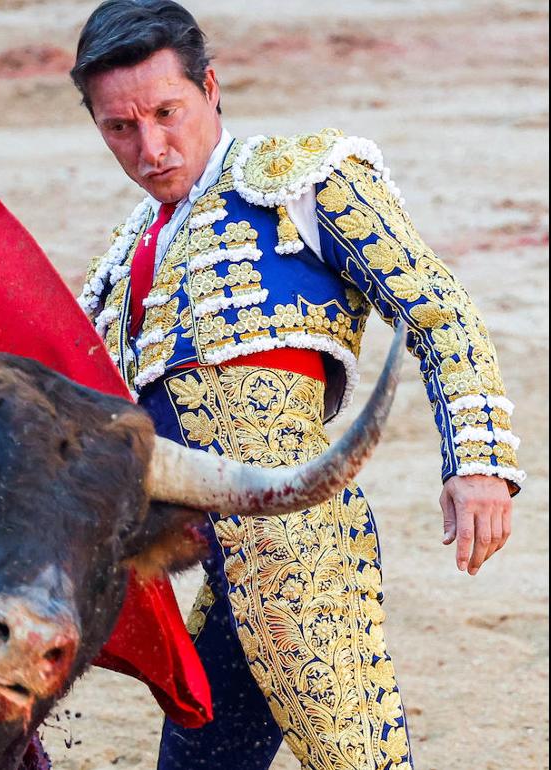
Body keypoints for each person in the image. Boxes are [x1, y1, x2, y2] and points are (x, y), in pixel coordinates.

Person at [70, 2, 524, 768]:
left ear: (211, 88)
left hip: (304, 559)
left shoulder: (300, 182)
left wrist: (478, 462)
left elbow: (437, 310)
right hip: (216, 570)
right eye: (120, 127)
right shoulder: (122, 258)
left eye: (167, 113)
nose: (150, 149)